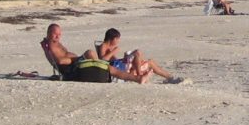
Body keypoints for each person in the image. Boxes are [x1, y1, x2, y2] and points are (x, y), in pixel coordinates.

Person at [41, 24, 180, 84]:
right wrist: (77, 58)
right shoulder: (52, 46)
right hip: (73, 69)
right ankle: (139, 76)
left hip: (81, 64)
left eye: (59, 33)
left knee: (145, 59)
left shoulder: (54, 43)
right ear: (49, 33)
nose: (58, 36)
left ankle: (150, 77)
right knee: (96, 57)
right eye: (55, 33)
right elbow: (60, 62)